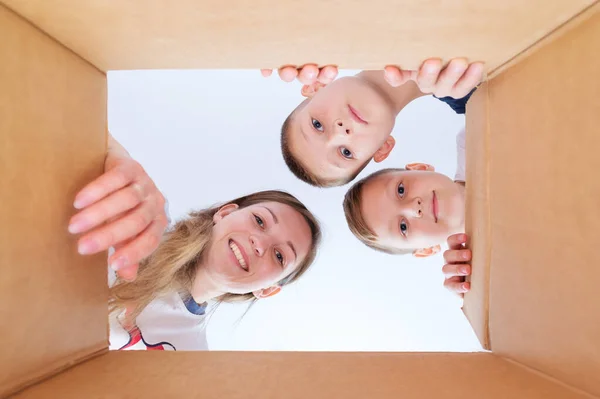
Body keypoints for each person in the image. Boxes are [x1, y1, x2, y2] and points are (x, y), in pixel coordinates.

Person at [108, 189, 322, 350]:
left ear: (266, 290)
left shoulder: (191, 360)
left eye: (279, 256)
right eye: (259, 220)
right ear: (225, 212)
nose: (259, 243)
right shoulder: (141, 212)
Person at [261, 59, 483, 187]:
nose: (341, 133)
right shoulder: (475, 99)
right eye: (346, 152)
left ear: (314, 87)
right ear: (383, 148)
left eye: (317, 125)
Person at [342, 126, 472, 296]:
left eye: (401, 190)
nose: (413, 208)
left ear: (421, 168)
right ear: (426, 250)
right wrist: (476, 296)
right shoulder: (478, 274)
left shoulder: (474, 140)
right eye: (403, 227)